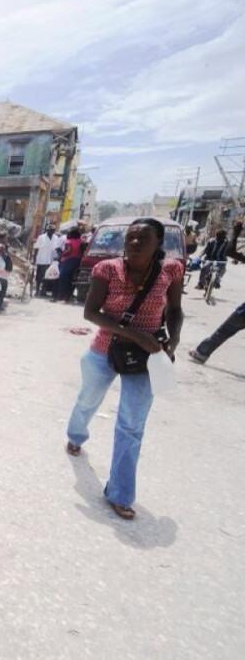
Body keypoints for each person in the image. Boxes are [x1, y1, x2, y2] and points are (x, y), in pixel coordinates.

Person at [64, 218, 183, 520]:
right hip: (106, 349)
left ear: (159, 242)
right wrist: (135, 335)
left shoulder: (170, 270)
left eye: (143, 238)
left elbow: (174, 310)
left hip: (146, 358)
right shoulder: (107, 269)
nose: (134, 243)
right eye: (130, 237)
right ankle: (76, 435)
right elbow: (90, 312)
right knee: (88, 400)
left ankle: (119, 493)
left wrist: (173, 341)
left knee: (131, 426)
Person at [189, 223, 245, 364]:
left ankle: (201, 352)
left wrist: (236, 231)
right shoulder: (211, 243)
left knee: (225, 330)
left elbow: (230, 252)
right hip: (211, 261)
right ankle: (202, 283)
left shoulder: (226, 243)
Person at [54, 227, 84, 302]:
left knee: (63, 278)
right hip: (77, 261)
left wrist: (62, 254)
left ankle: (62, 295)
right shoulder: (80, 241)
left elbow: (68, 249)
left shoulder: (68, 241)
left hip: (68, 261)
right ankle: (69, 295)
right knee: (72, 279)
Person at [31, 225, 61, 296]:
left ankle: (43, 291)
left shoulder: (56, 238)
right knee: (39, 277)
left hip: (51, 261)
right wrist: (34, 258)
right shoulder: (41, 237)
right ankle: (37, 291)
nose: (51, 231)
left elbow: (57, 249)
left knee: (48, 277)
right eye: (50, 230)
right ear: (47, 230)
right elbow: (36, 248)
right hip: (42, 260)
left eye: (53, 230)